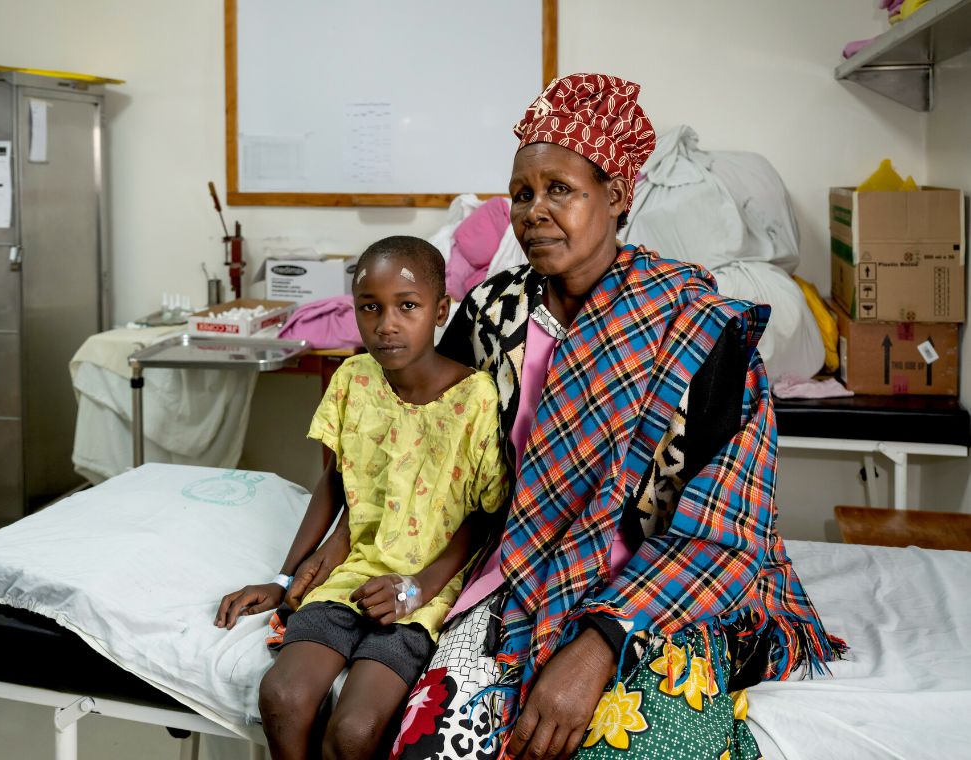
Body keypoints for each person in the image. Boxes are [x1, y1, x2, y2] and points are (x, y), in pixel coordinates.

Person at [292, 74, 847, 760]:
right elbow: (429, 457)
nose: (535, 211)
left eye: (561, 190)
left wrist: (597, 646)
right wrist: (339, 554)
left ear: (616, 196)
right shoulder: (495, 315)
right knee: (432, 745)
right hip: (517, 573)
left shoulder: (698, 330)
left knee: (637, 746)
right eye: (523, 194)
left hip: (667, 587)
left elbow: (722, 526)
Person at [215, 236, 509, 760]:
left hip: (424, 590)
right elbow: (334, 481)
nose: (386, 324)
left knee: (352, 733)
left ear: (441, 310)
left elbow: (486, 515)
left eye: (408, 306)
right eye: (369, 307)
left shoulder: (475, 398)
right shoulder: (353, 379)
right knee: (282, 696)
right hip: (350, 571)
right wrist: (286, 577)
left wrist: (418, 587)